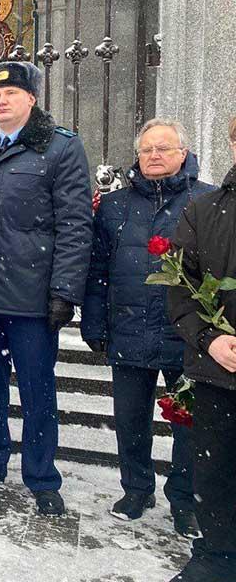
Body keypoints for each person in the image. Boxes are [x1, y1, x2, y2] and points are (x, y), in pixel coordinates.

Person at [0, 61, 92, 517]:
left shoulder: (60, 148)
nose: (1, 100)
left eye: (11, 93)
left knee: (37, 391)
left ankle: (41, 476)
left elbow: (74, 223)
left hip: (32, 297)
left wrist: (64, 291)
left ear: (31, 99)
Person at [81, 119, 212, 537]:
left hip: (186, 336)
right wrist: (94, 319)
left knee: (188, 424)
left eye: (163, 148)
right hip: (129, 328)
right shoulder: (116, 205)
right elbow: (98, 269)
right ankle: (136, 489)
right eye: (146, 150)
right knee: (130, 418)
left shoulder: (206, 201)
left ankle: (184, 498)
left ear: (183, 154)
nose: (154, 156)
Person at [163, 116, 236, 582]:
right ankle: (218, 558)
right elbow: (179, 288)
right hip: (219, 370)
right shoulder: (204, 210)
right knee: (216, 468)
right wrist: (208, 337)